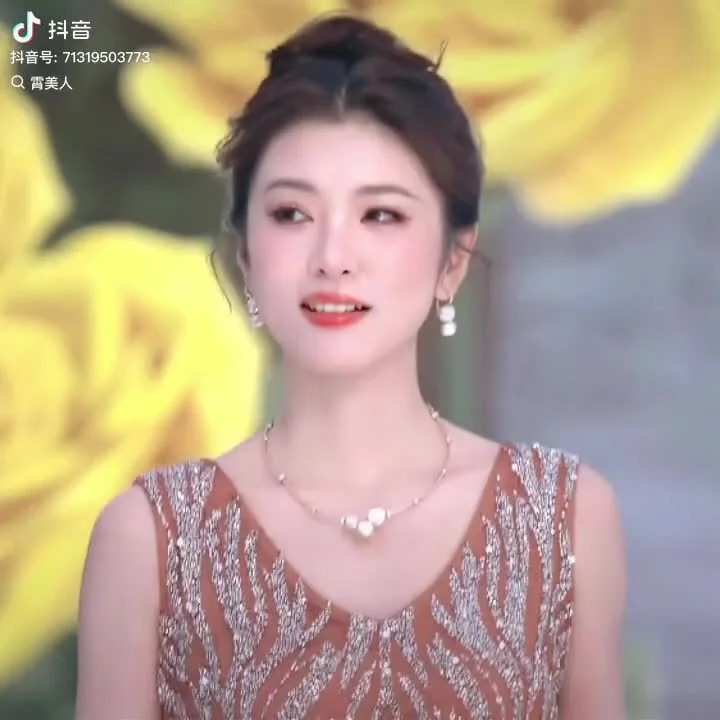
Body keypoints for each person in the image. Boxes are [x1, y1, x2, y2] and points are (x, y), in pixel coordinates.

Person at [75, 14, 627, 720]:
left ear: (453, 261)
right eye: (292, 214)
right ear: (247, 256)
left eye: (381, 216)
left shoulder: (563, 521)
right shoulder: (150, 539)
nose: (333, 257)